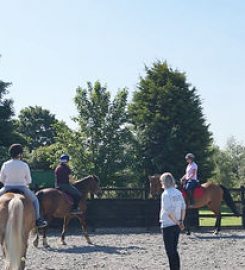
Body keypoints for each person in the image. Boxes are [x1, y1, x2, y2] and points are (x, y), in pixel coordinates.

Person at [0, 144, 47, 228]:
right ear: (20, 154)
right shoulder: (24, 165)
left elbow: (1, 179)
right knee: (35, 200)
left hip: (7, 187)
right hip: (22, 187)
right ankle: (38, 220)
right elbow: (29, 180)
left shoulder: (5, 164)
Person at [160, 172, 186, 270]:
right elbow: (183, 207)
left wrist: (177, 222)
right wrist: (181, 221)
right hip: (177, 225)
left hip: (168, 225)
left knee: (170, 251)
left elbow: (168, 211)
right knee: (174, 250)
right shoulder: (178, 193)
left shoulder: (165, 194)